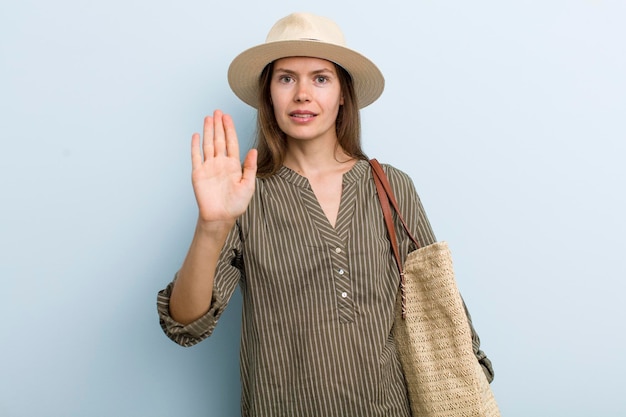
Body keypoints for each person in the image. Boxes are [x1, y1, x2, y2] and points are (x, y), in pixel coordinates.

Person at [157, 12, 494, 416]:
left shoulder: (390, 185)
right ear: (268, 95)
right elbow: (186, 323)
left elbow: (444, 312)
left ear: (343, 95)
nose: (302, 93)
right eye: (285, 78)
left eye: (320, 78)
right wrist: (211, 226)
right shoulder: (246, 194)